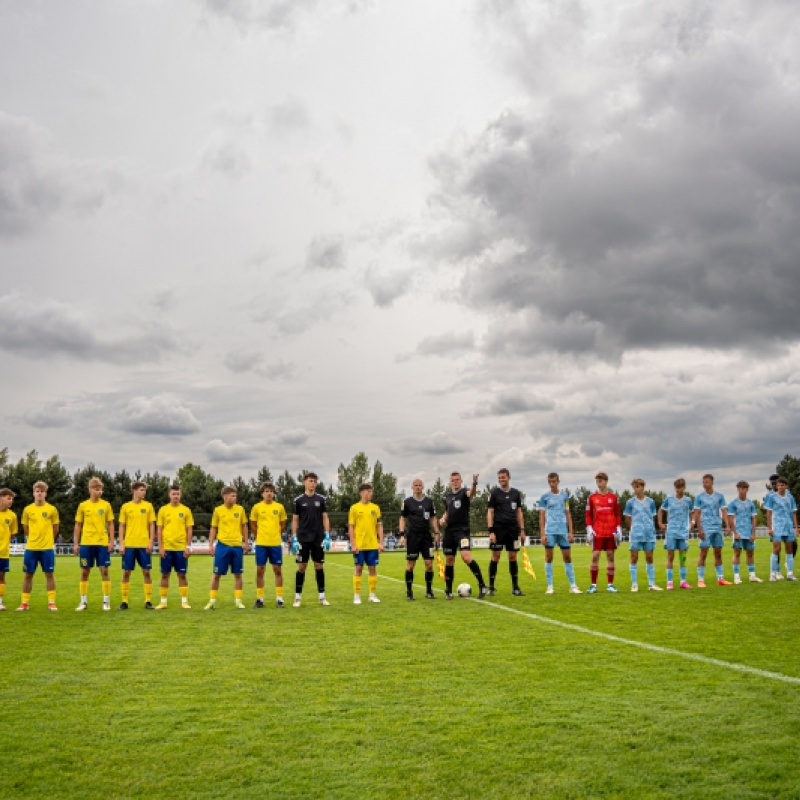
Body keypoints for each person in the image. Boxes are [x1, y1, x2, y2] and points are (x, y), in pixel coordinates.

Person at [439, 472, 488, 600]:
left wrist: (474, 483)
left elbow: (471, 493)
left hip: (462, 531)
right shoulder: (448, 496)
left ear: (461, 481)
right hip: (450, 531)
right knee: (449, 560)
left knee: (466, 557)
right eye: (453, 480)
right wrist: (443, 518)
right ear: (450, 482)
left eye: (457, 480)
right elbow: (447, 511)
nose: (455, 482)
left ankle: (482, 585)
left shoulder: (464, 492)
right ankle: (448, 590)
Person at [74, 477, 115, 611]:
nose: (99, 492)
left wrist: (111, 541)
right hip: (86, 543)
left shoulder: (106, 505)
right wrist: (76, 543)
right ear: (90, 490)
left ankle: (106, 601)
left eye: (100, 490)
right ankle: (83, 601)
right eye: (96, 489)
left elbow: (110, 524)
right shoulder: (83, 505)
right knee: (85, 571)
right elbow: (78, 525)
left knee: (104, 570)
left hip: (102, 543)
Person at [17, 483, 59, 611]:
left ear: (46, 494)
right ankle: (24, 603)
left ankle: (51, 602)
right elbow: (26, 529)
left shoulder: (52, 509)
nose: (39, 493)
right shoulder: (27, 510)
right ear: (33, 493)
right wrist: (34, 539)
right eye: (37, 491)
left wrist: (47, 539)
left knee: (49, 574)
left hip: (47, 548)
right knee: (28, 574)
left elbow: (55, 528)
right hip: (31, 548)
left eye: (42, 491)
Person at [205, 486, 249, 610]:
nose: (235, 498)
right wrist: (210, 545)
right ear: (225, 496)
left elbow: (244, 526)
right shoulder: (218, 510)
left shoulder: (240, 509)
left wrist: (246, 542)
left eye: (235, 496)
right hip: (222, 546)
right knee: (216, 574)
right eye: (232, 496)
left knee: (238, 574)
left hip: (236, 546)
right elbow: (213, 528)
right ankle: (212, 601)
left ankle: (238, 601)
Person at [292, 472, 332, 607]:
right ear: (304, 482)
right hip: (303, 538)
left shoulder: (321, 499)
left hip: (318, 537)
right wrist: (294, 537)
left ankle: (322, 597)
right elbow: (295, 519)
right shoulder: (298, 500)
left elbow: (325, 517)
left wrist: (327, 535)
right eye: (310, 481)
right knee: (302, 567)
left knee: (318, 565)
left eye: (314, 481)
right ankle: (297, 598)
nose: (313, 484)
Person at [539, 472, 581, 595]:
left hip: (563, 531)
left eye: (554, 481)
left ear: (558, 481)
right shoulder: (544, 497)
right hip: (550, 531)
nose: (552, 484)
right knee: (549, 558)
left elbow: (568, 514)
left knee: (567, 558)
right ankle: (550, 586)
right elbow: (541, 515)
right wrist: (542, 533)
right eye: (549, 482)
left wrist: (571, 531)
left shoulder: (564, 496)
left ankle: (573, 586)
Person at [117, 480, 156, 610]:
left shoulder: (149, 506)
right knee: (126, 572)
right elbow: (122, 526)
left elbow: (152, 525)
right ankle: (124, 601)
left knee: (146, 572)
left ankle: (148, 601)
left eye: (145, 490)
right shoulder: (125, 507)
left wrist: (151, 542)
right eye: (141, 490)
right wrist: (121, 543)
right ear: (134, 491)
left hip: (144, 545)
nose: (144, 492)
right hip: (129, 545)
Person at [487, 468, 525, 596]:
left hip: (512, 529)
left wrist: (522, 529)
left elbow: (519, 512)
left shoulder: (515, 493)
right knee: (495, 556)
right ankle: (491, 587)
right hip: (498, 529)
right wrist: (491, 531)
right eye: (499, 477)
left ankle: (515, 588)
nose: (501, 479)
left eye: (503, 477)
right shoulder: (494, 494)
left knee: (513, 556)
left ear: (508, 477)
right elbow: (490, 512)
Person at [399, 478, 439, 600]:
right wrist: (402, 534)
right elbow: (402, 518)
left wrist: (437, 532)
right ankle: (409, 592)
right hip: (413, 536)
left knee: (429, 565)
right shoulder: (407, 502)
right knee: (411, 564)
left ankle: (429, 591)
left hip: (426, 537)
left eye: (419, 485)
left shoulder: (429, 502)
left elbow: (433, 518)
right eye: (415, 485)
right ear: (412, 487)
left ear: (423, 487)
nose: (417, 487)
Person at [155, 485, 194, 609]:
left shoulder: (186, 510)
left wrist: (188, 547)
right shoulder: (163, 510)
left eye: (177, 494)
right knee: (165, 574)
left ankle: (184, 601)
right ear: (169, 495)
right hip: (166, 548)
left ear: (180, 495)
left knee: (182, 575)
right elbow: (159, 530)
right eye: (173, 494)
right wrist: (160, 547)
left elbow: (189, 530)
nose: (176, 496)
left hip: (181, 549)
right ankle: (163, 602)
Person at [249, 481, 287, 608]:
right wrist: (258, 535)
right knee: (260, 570)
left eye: (271, 491)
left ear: (274, 493)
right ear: (262, 494)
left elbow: (283, 525)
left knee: (277, 570)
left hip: (275, 543)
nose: (269, 493)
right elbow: (253, 524)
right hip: (261, 544)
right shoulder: (256, 507)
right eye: (266, 491)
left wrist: (276, 534)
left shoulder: (279, 507)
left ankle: (280, 599)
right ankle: (260, 599)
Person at [585, 471, 621, 593]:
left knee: (610, 556)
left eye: (600, 481)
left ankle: (610, 585)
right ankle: (593, 585)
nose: (598, 484)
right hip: (597, 532)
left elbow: (617, 514)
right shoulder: (591, 497)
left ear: (606, 481)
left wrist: (619, 528)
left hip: (611, 532)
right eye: (597, 481)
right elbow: (588, 515)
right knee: (595, 556)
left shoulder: (614, 497)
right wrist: (589, 528)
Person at [348, 483, 385, 604]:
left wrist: (381, 542)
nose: (371, 494)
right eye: (368, 491)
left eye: (371, 491)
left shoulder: (375, 508)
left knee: (372, 568)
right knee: (358, 568)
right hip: (359, 545)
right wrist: (353, 544)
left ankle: (372, 595)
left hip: (372, 545)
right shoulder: (354, 508)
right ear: (362, 493)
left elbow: (379, 526)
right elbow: (351, 527)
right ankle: (357, 595)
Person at [693, 474, 731, 587]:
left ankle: (720, 579)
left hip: (717, 527)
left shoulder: (719, 496)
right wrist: (699, 529)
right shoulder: (699, 497)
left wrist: (727, 525)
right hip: (705, 527)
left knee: (718, 553)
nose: (705, 484)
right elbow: (697, 513)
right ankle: (700, 580)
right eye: (703, 482)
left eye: (707, 482)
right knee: (703, 553)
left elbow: (724, 511)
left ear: (712, 483)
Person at [624, 478, 662, 591]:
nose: (635, 489)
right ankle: (634, 584)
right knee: (634, 557)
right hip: (636, 534)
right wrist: (634, 528)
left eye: (637, 487)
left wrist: (650, 528)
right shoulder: (630, 502)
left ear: (643, 487)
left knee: (649, 557)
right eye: (634, 487)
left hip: (649, 534)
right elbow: (627, 517)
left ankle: (652, 584)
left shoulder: (650, 502)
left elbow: (653, 516)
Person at [658, 478, 694, 590]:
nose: (679, 489)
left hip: (683, 532)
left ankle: (683, 581)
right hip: (671, 532)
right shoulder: (669, 499)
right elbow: (660, 510)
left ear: (684, 487)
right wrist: (660, 523)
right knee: (670, 556)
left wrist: (692, 523)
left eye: (681, 487)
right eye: (677, 487)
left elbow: (693, 512)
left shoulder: (688, 500)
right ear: (675, 488)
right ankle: (669, 582)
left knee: (683, 557)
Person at [767, 477, 798, 581]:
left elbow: (794, 513)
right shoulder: (772, 497)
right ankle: (772, 574)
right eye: (778, 485)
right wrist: (770, 527)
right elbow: (769, 513)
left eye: (782, 485)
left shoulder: (790, 498)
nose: (780, 487)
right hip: (777, 526)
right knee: (776, 549)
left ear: (786, 486)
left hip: (788, 526)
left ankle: (789, 573)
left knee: (789, 549)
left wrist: (796, 527)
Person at [0, 488, 18, 611]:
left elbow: (12, 534)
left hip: (3, 552)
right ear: (1, 498)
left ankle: (0, 602)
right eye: (8, 498)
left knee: (1, 576)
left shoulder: (12, 516)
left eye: (11, 499)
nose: (10, 501)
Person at [764, 474, 781, 578]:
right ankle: (777, 571)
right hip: (775, 524)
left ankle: (789, 564)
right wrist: (769, 526)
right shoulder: (769, 496)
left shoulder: (786, 493)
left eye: (775, 483)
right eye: (772, 483)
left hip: (785, 523)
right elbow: (767, 511)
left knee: (793, 545)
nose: (774, 485)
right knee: (777, 547)